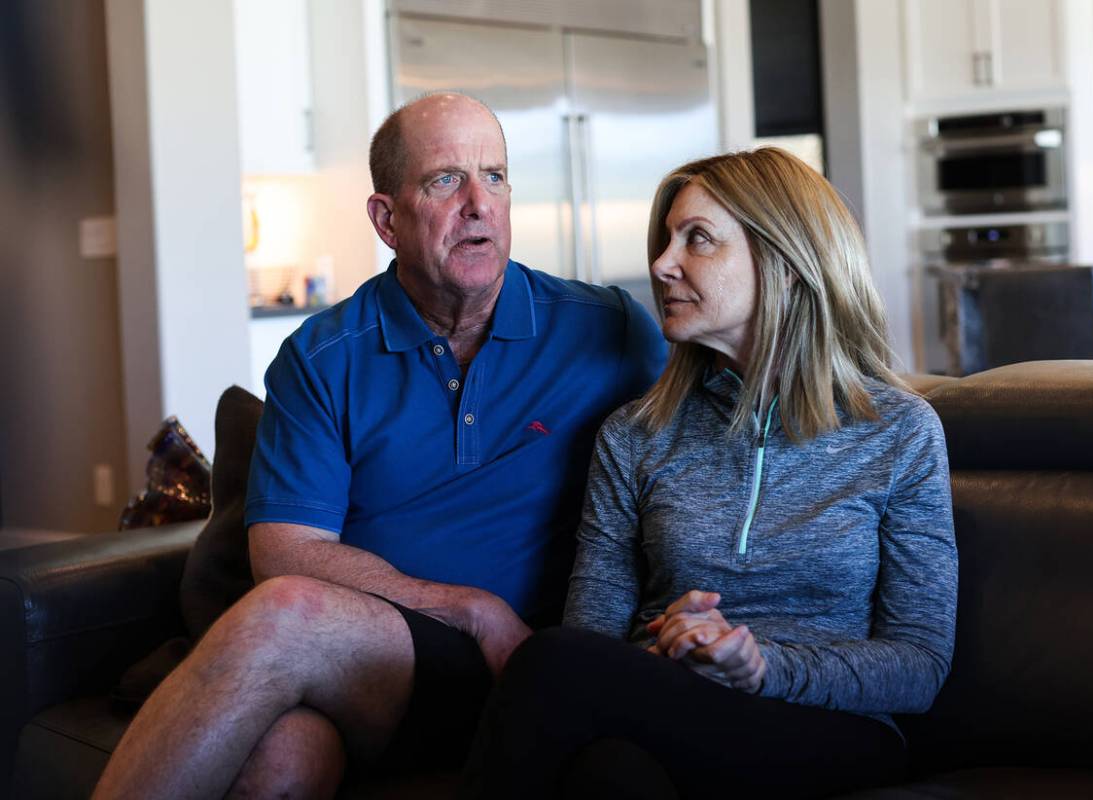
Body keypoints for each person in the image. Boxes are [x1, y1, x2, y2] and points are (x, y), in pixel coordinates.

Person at [93, 92, 666, 799]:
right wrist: (469, 608)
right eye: (444, 180)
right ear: (386, 219)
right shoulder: (322, 356)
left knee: (286, 620)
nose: (479, 203)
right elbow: (284, 552)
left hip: (529, 667)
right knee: (282, 754)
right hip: (381, 657)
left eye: (494, 175)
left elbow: (715, 431)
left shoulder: (606, 330)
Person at [468, 147, 958, 799]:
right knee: (610, 774)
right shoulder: (635, 435)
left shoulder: (898, 430)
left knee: (550, 662)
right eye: (667, 239)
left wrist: (758, 665)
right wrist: (671, 654)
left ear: (784, 265)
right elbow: (594, 637)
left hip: (827, 729)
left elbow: (918, 665)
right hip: (670, 710)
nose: (661, 264)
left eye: (697, 239)